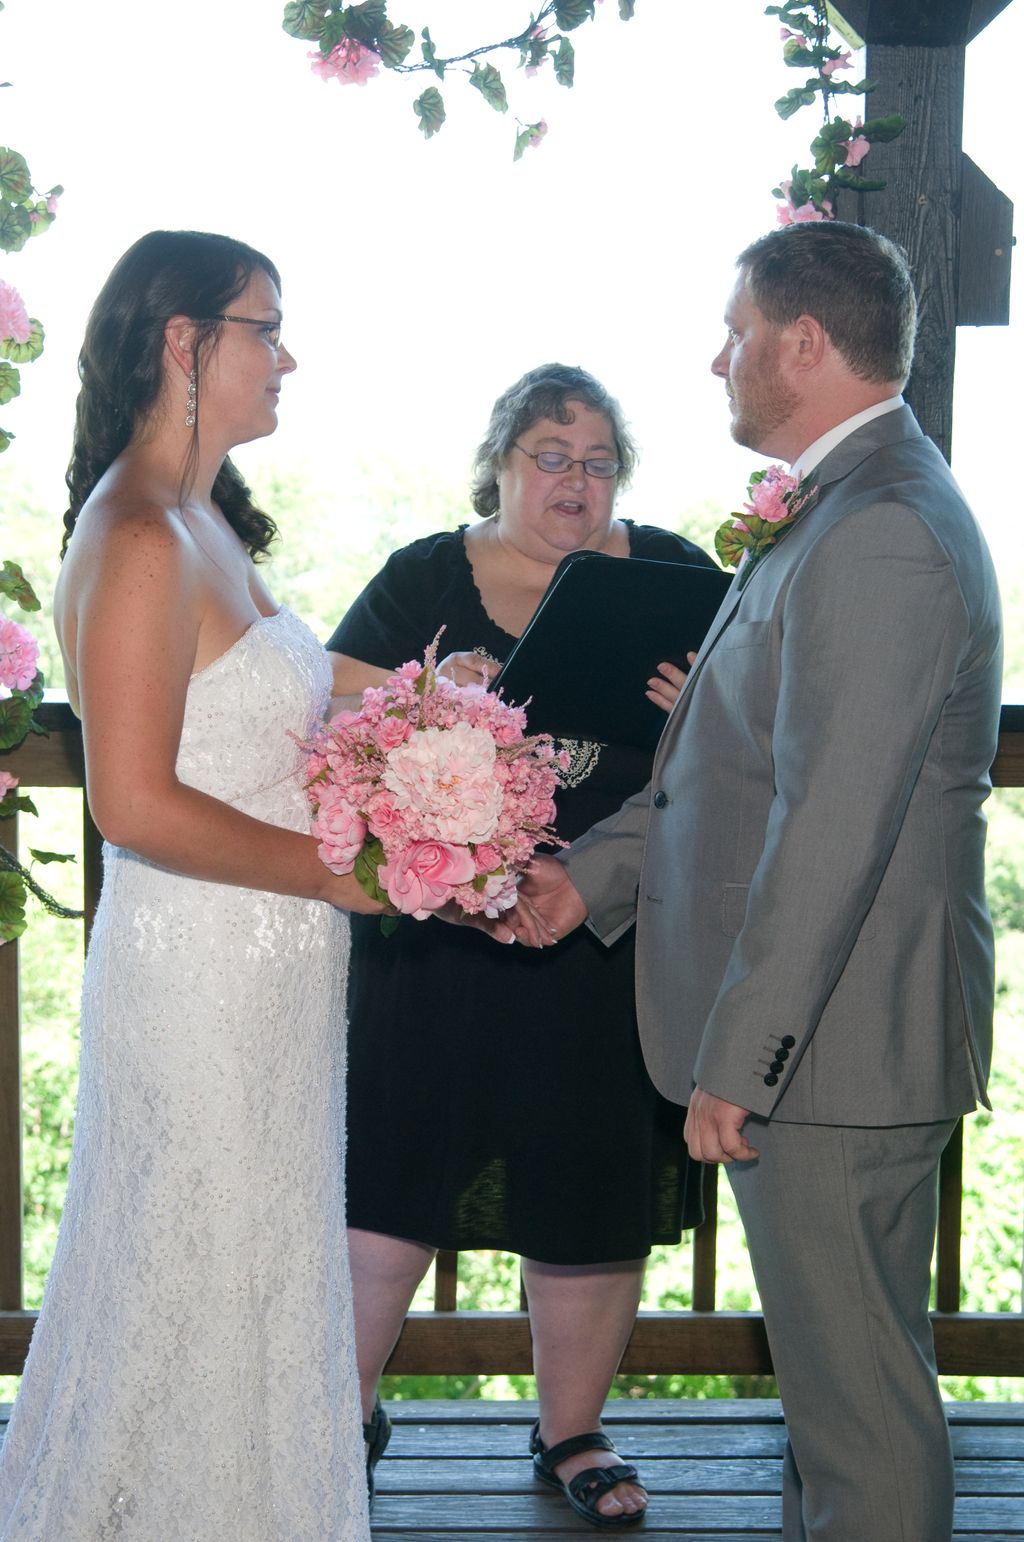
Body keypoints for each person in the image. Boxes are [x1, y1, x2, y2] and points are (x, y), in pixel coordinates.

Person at [514, 225, 1003, 1541]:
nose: (717, 356)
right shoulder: (836, 502)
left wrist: (749, 1049)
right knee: (835, 1415)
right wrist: (593, 878)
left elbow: (836, 819)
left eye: (735, 330)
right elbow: (725, 767)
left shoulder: (886, 526)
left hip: (833, 1053)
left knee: (863, 1428)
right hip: (830, 1042)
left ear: (805, 343)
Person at [0, 230, 382, 1541]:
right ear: (185, 341)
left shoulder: (202, 521)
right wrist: (345, 874)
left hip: (269, 992)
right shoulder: (141, 537)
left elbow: (285, 676)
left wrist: (454, 718)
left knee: (259, 1275)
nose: (287, 356)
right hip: (201, 985)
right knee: (195, 1276)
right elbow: (135, 800)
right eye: (265, 329)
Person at [327, 363, 711, 1527]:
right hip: (439, 935)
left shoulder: (678, 576)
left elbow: (754, 726)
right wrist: (428, 684)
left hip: (605, 937)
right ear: (499, 462)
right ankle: (339, 1411)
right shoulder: (427, 577)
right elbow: (339, 699)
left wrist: (707, 698)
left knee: (593, 1177)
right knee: (389, 1174)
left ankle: (570, 1430)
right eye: (552, 455)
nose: (576, 482)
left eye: (599, 462)